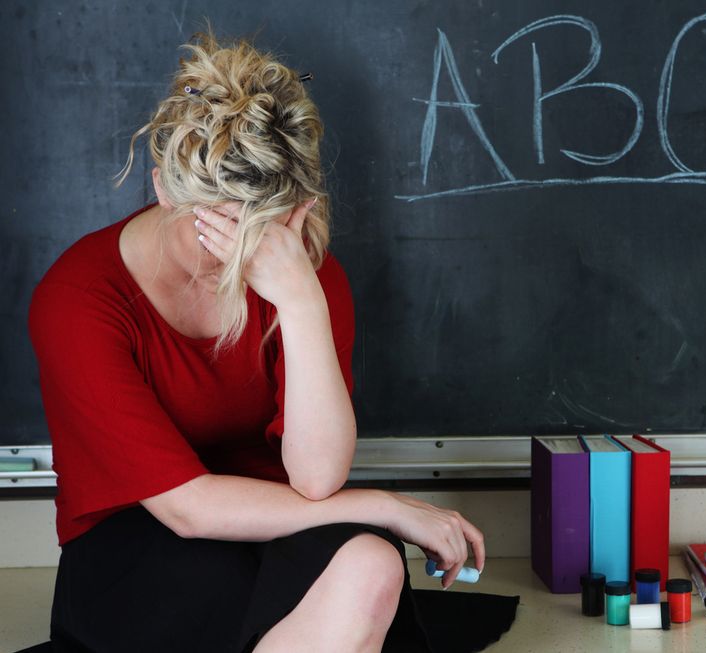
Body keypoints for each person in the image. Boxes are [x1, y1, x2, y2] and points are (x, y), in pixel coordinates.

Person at [26, 22, 515, 653]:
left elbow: (317, 478)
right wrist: (384, 504)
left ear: (298, 208)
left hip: (281, 520)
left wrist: (302, 302)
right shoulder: (79, 296)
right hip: (136, 544)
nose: (235, 260)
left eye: (260, 233)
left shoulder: (298, 269)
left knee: (373, 564)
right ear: (163, 187)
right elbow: (188, 510)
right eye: (215, 228)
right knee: (353, 556)